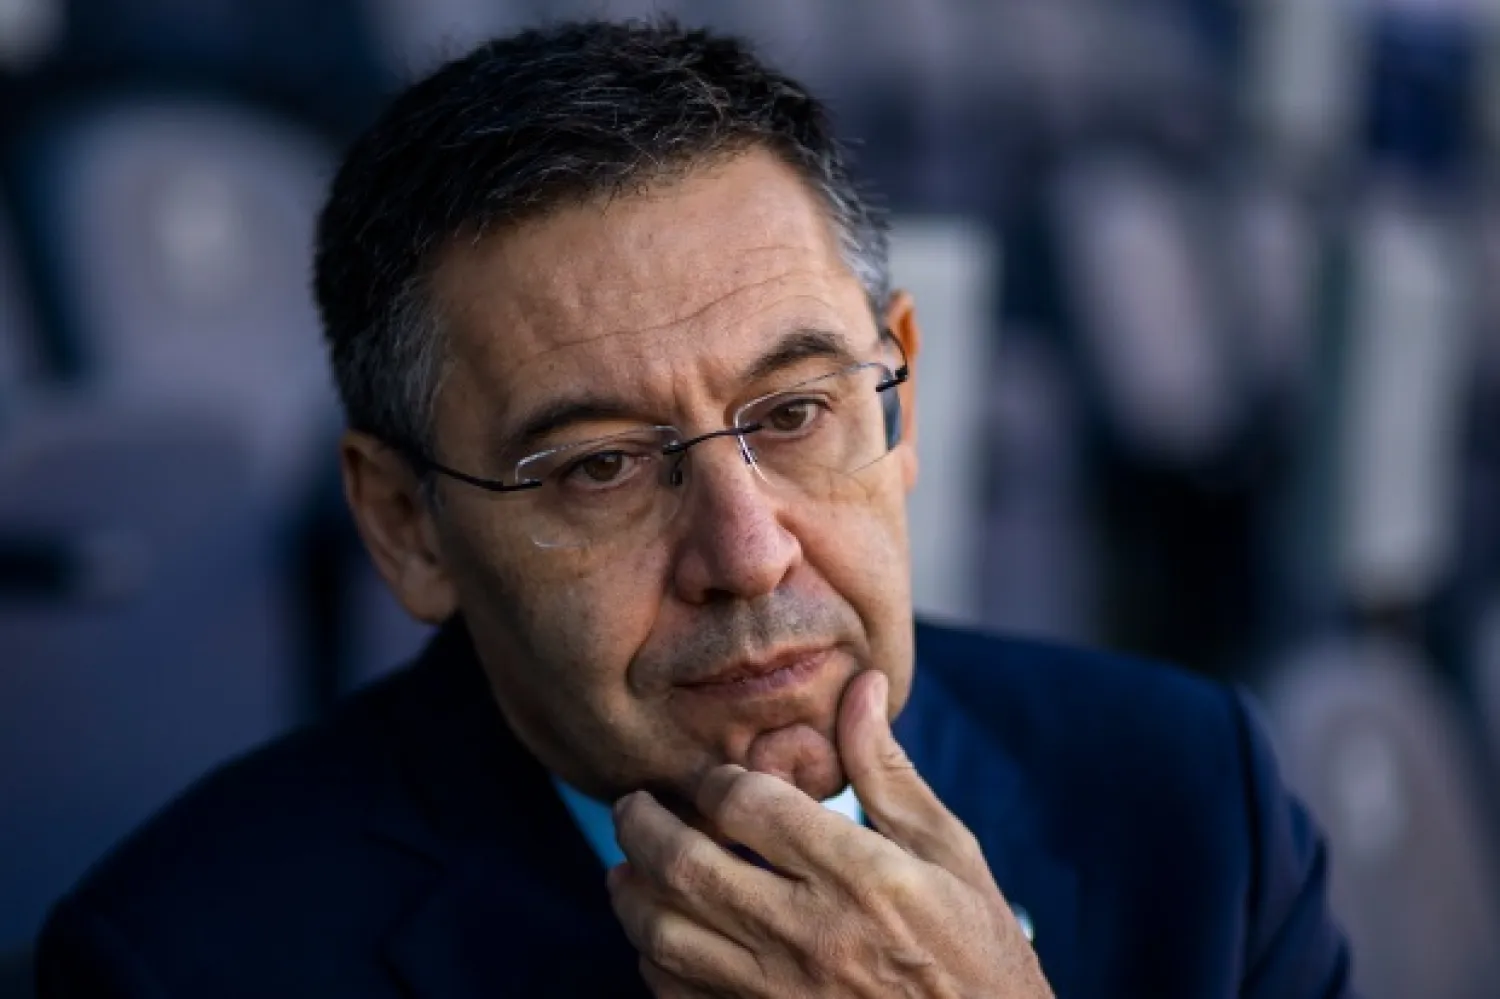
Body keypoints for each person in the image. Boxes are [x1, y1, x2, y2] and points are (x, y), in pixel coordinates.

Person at [36, 19, 1354, 998]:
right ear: (406, 525)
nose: (748, 549)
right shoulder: (182, 960)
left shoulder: (1194, 804)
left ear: (901, 397)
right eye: (599, 465)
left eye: (793, 414)